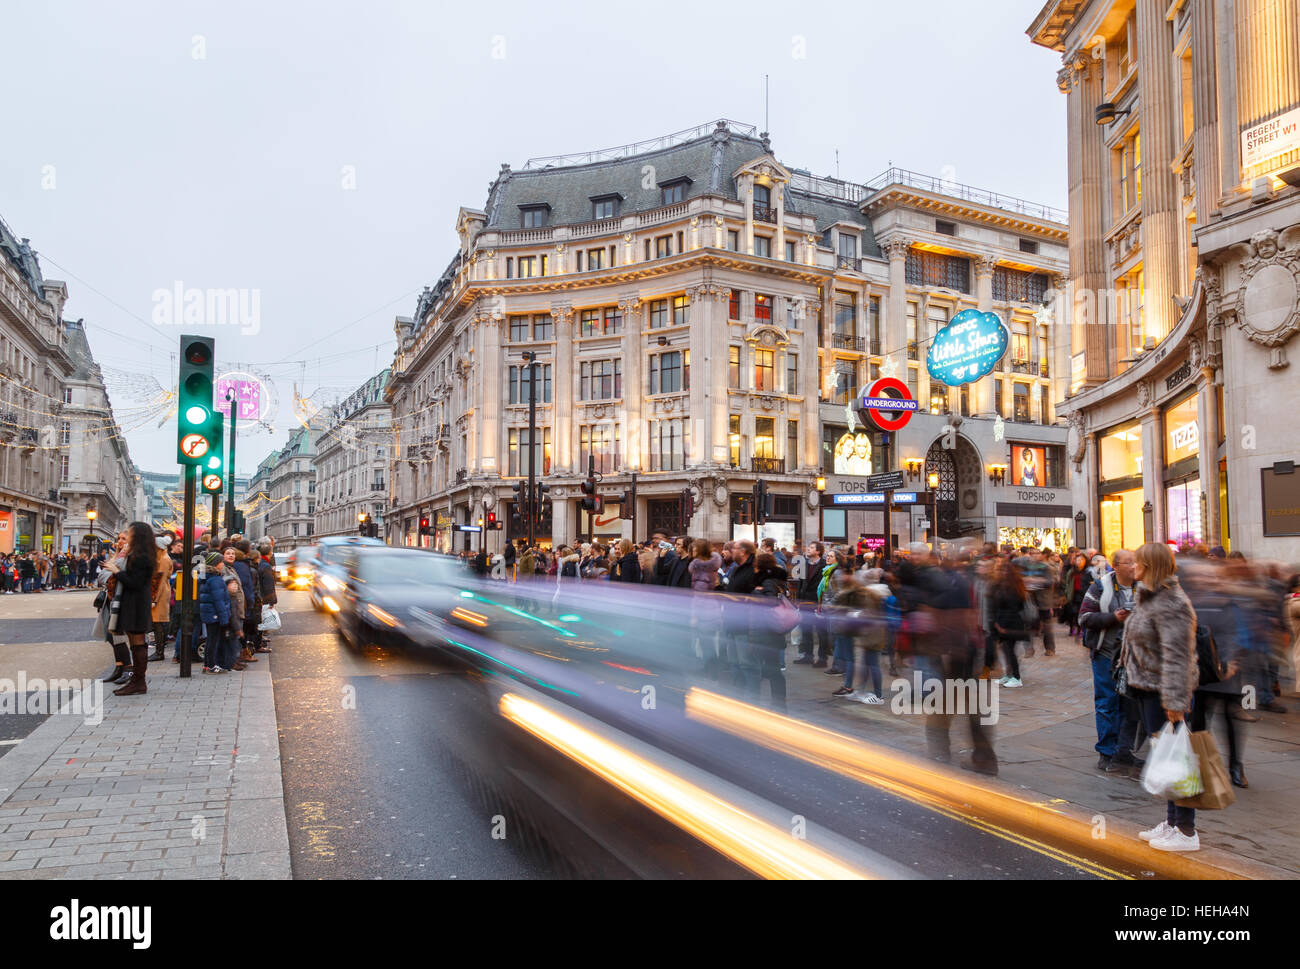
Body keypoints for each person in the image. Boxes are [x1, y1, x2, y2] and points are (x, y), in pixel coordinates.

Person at [1123, 543, 1201, 852]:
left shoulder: (1172, 603)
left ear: (1150, 566)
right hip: (1147, 688)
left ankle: (1186, 830)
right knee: (1166, 757)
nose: (1132, 567)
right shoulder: (1148, 595)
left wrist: (1175, 702)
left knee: (1177, 760)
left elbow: (1177, 657)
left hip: (1164, 693)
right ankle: (1171, 822)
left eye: (1138, 563)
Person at [1078, 549, 1142, 773]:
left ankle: (1123, 751)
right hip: (1106, 654)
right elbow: (1084, 618)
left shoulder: (1143, 587)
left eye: (1135, 562)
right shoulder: (1100, 587)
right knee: (1107, 703)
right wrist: (1112, 618)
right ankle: (1106, 752)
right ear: (1116, 566)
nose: (1134, 566)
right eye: (1128, 562)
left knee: (1130, 705)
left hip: (1134, 656)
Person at [106, 523, 158, 697]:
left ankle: (138, 681)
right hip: (134, 603)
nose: (127, 536)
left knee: (137, 643)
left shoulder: (141, 557)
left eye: (130, 533)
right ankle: (136, 680)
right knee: (135, 643)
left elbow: (135, 582)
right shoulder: (140, 554)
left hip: (135, 604)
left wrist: (116, 571)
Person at [987, 558, 1030, 688]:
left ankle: (1017, 677)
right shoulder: (1003, 584)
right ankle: (1009, 674)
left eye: (1001, 570)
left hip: (1009, 623)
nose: (999, 571)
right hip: (1004, 622)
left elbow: (1013, 607)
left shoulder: (1011, 587)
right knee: (1006, 650)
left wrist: (1002, 626)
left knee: (1009, 650)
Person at [199, 552, 234, 674]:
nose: (222, 564)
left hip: (209, 613)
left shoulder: (207, 577)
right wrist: (224, 619)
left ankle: (207, 665)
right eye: (221, 562)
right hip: (215, 614)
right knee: (213, 641)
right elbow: (219, 601)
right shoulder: (215, 579)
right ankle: (211, 665)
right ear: (215, 564)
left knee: (210, 639)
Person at [149, 532, 174, 662]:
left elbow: (160, 579)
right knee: (157, 622)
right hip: (161, 590)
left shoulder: (163, 559)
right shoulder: (162, 558)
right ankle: (159, 650)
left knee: (158, 622)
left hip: (161, 592)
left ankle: (159, 652)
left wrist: (154, 599)